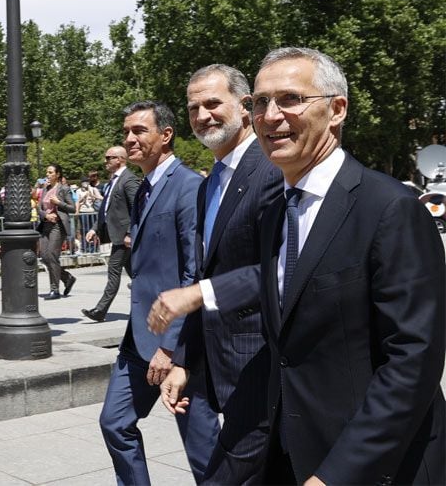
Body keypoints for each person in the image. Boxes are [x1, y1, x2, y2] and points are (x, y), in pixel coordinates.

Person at [150, 48, 446, 485]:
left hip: (372, 466)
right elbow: (282, 309)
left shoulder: (390, 209)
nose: (270, 116)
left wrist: (336, 474)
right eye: (260, 102)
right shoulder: (278, 214)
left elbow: (413, 363)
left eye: (290, 99)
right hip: (291, 449)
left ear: (336, 110)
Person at [150, 64, 283, 484]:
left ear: (245, 107)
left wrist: (196, 294)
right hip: (223, 370)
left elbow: (281, 269)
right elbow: (209, 272)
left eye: (212, 104)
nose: (203, 115)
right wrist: (185, 362)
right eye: (194, 108)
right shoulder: (210, 184)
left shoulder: (272, 170)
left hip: (265, 369)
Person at [98, 101, 219, 485]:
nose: (129, 139)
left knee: (203, 452)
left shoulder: (189, 187)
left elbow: (193, 272)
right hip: (138, 339)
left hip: (181, 345)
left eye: (139, 131)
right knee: (114, 423)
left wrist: (171, 347)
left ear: (165, 136)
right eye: (126, 132)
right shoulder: (144, 189)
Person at [81, 146, 139, 322]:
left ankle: (100, 310)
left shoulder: (129, 180)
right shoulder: (112, 181)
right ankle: (153, 301)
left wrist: (130, 233)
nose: (105, 161)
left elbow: (137, 208)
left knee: (114, 270)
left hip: (124, 237)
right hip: (119, 236)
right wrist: (94, 228)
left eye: (109, 158)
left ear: (120, 159)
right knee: (137, 275)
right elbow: (105, 210)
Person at [37, 163, 76, 300]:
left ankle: (55, 290)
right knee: (44, 256)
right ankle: (66, 277)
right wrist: (46, 215)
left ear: (57, 174)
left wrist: (58, 202)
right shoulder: (44, 189)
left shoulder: (63, 189)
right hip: (45, 225)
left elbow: (72, 208)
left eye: (51, 172)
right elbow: (39, 208)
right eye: (47, 172)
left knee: (52, 256)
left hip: (58, 226)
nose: (48, 175)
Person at [76, 177, 103, 253]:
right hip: (83, 212)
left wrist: (92, 195)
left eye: (87, 182)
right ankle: (85, 248)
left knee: (93, 230)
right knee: (84, 230)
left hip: (92, 211)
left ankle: (94, 248)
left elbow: (99, 198)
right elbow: (78, 201)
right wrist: (84, 197)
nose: (85, 183)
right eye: (83, 182)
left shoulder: (93, 189)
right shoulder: (78, 191)